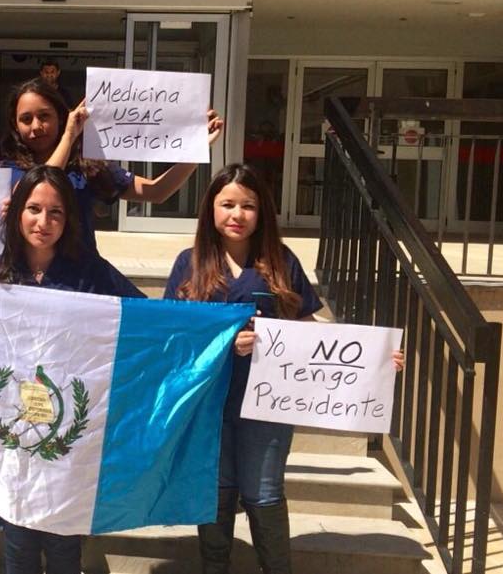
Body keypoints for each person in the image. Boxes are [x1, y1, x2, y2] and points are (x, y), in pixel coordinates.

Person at [163, 163, 403, 574]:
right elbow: (170, 336)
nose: (237, 215)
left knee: (264, 492)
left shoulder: (279, 261)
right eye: (227, 204)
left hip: (268, 406)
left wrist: (373, 356)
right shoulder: (190, 264)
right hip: (208, 405)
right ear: (211, 209)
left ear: (262, 213)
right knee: (216, 491)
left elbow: (311, 330)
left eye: (248, 206)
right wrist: (224, 344)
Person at [0, 165, 145, 574]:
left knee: (65, 547)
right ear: (16, 214)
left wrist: (218, 328)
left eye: (56, 213)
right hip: (12, 435)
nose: (43, 222)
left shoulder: (91, 272)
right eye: (33, 209)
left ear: (69, 219)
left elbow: (148, 318)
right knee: (18, 544)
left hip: (70, 438)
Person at [0, 78, 223, 251]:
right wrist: (69, 135)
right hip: (29, 281)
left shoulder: (88, 166)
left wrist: (197, 148)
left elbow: (156, 191)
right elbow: (41, 186)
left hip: (83, 281)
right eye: (26, 119)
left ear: (60, 116)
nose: (36, 126)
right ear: (15, 124)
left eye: (44, 116)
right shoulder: (7, 171)